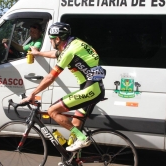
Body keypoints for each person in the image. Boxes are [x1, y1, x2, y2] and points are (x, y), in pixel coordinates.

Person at [21, 22, 106, 152]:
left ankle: (83, 138)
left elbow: (51, 77)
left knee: (52, 111)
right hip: (94, 88)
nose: (50, 41)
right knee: (75, 127)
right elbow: (56, 54)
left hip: (91, 90)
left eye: (50, 38)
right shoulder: (75, 43)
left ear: (58, 39)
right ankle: (73, 160)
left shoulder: (69, 51)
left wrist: (33, 93)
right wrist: (38, 53)